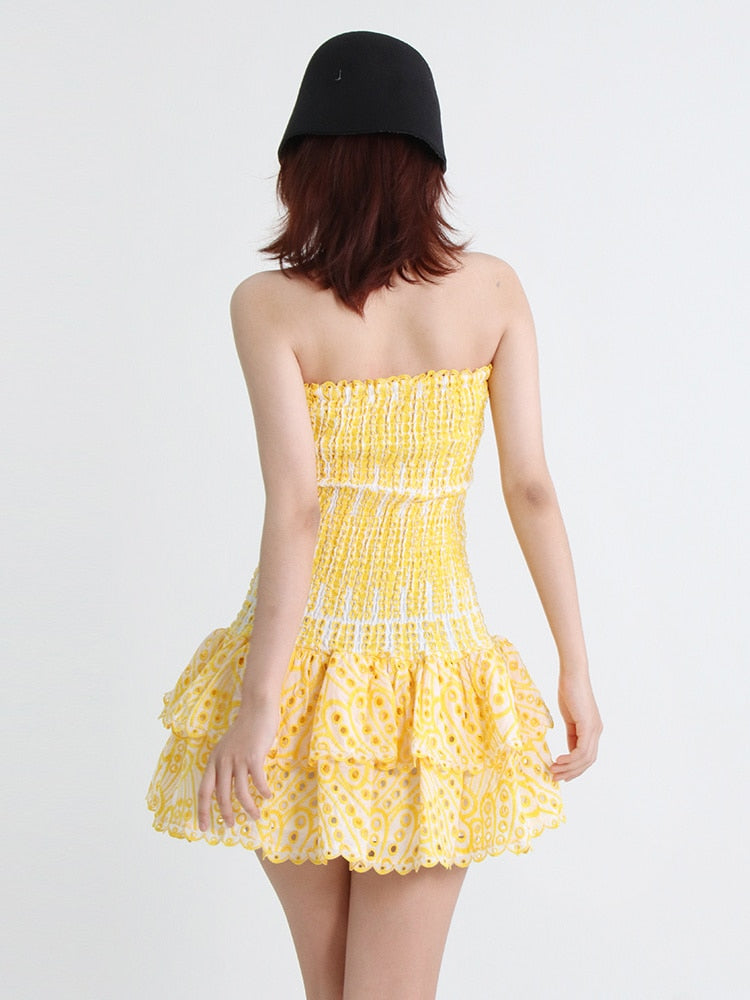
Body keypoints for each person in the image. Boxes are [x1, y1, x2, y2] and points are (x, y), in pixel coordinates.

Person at [146, 29, 603, 1000]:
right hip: (429, 681)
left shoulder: (267, 305)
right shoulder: (491, 292)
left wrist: (259, 707)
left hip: (295, 675)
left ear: (301, 167)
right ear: (427, 168)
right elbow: (530, 485)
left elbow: (298, 510)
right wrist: (575, 664)